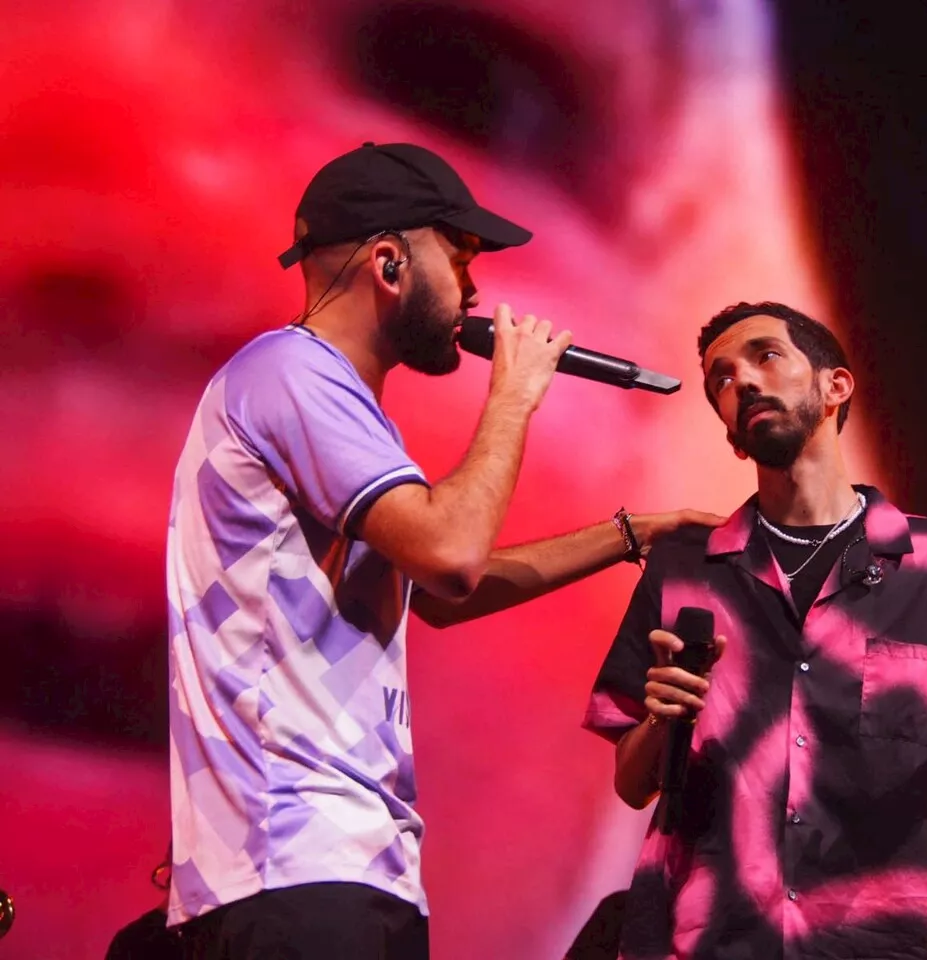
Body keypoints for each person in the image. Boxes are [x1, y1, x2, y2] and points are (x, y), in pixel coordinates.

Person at [165, 142, 722, 960]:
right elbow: (452, 553)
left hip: (340, 869)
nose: (473, 292)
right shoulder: (290, 373)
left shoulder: (330, 403)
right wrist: (515, 395)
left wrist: (630, 533)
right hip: (294, 867)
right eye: (459, 260)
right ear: (390, 263)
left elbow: (443, 590)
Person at [583, 301, 927, 959]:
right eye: (722, 381)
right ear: (733, 437)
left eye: (764, 356)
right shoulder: (685, 570)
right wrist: (662, 717)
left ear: (835, 386)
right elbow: (631, 782)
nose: (743, 384)